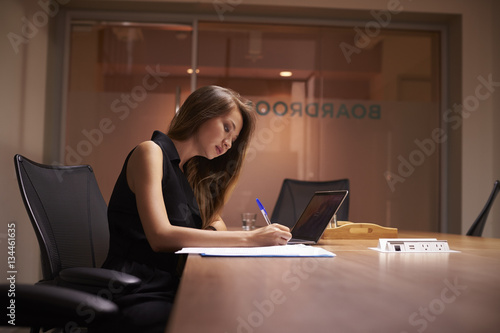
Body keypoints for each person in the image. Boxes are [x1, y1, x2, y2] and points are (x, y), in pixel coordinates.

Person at [98, 85, 291, 333]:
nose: (228, 143)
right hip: (136, 287)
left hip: (169, 284)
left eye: (233, 139)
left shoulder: (186, 174)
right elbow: (160, 236)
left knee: (235, 305)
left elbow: (216, 222)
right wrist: (250, 238)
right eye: (227, 128)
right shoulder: (151, 153)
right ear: (202, 112)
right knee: (221, 316)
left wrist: (210, 229)